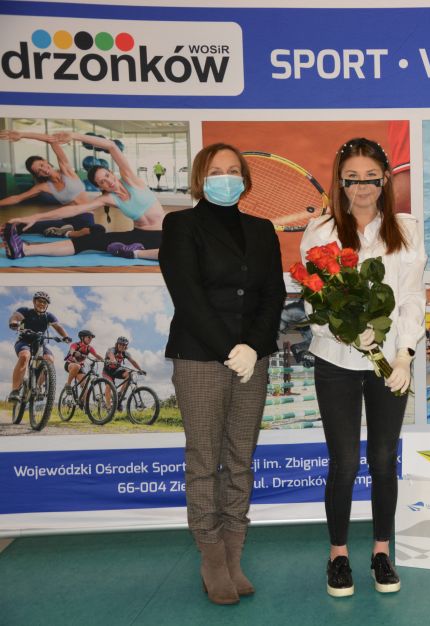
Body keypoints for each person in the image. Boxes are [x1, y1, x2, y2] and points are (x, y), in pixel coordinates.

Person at [300, 137, 426, 598]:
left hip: (388, 364)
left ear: (385, 179)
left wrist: (403, 352)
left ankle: (381, 552)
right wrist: (346, 331)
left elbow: (411, 296)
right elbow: (314, 302)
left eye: (370, 178)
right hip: (335, 360)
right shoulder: (320, 232)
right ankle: (338, 555)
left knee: (383, 460)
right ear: (340, 182)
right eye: (352, 179)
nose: (362, 187)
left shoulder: (406, 230)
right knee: (346, 462)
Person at [160, 142, 285, 605]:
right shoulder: (181, 225)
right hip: (200, 357)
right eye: (216, 171)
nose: (226, 178)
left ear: (245, 179)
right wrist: (229, 348)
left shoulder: (261, 229)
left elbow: (273, 293)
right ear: (200, 178)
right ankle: (211, 557)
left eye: (234, 170)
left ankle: (234, 553)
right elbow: (187, 294)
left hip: (253, 359)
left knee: (239, 459)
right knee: (204, 460)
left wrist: (253, 346)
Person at [4, 132, 163, 261]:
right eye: (102, 182)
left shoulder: (130, 179)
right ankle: (25, 250)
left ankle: (135, 253)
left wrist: (75, 136)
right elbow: (75, 210)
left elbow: (111, 146)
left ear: (111, 172)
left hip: (163, 234)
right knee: (88, 241)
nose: (108, 181)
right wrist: (35, 217)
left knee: (170, 250)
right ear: (100, 187)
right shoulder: (109, 198)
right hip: (138, 235)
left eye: (107, 176)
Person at [0, 130, 99, 237]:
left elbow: (52, 140)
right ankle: (67, 231)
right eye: (39, 171)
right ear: (38, 175)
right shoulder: (44, 186)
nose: (43, 170)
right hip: (67, 218)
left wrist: (22, 134)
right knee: (23, 226)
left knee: (93, 231)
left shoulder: (66, 170)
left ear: (45, 161)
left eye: (41, 165)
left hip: (85, 216)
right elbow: (17, 198)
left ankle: (68, 232)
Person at [8, 291, 70, 402]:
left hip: (40, 343)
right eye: (40, 301)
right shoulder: (26, 311)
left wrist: (65, 336)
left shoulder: (48, 316)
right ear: (34, 302)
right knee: (25, 356)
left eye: (45, 302)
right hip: (24, 341)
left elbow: (58, 326)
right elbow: (16, 316)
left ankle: (37, 386)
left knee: (49, 359)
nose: (42, 304)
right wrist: (14, 322)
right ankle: (15, 391)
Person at [102, 336, 144, 409]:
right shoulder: (112, 350)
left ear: (126, 346)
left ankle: (120, 394)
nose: (122, 346)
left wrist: (140, 369)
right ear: (117, 344)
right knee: (109, 386)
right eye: (120, 344)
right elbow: (111, 355)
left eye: (124, 345)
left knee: (129, 374)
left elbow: (133, 361)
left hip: (116, 370)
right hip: (107, 371)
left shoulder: (125, 353)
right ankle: (108, 407)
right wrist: (113, 360)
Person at [64, 330, 102, 395]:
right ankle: (68, 384)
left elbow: (96, 355)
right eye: (89, 337)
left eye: (91, 338)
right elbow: (72, 350)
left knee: (84, 385)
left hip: (80, 367)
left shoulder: (89, 348)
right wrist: (74, 353)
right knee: (77, 366)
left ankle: (83, 401)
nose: (90, 339)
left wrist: (105, 360)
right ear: (82, 337)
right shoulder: (75, 345)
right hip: (70, 364)